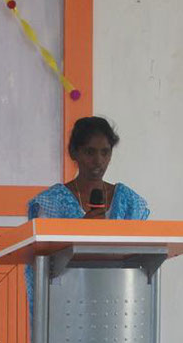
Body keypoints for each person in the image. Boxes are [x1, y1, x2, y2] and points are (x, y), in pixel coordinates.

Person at [25, 116, 150, 317]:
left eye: (105, 152)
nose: (98, 161)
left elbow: (142, 255)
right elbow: (43, 262)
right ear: (74, 152)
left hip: (119, 305)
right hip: (66, 307)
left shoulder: (129, 202)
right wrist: (79, 232)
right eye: (90, 152)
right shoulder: (51, 202)